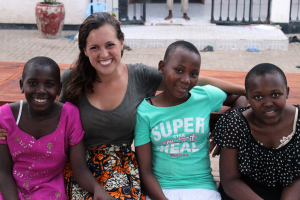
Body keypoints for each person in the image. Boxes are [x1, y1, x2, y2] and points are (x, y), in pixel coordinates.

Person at [0, 13, 245, 200]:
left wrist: (247, 93)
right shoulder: (71, 80)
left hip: (125, 165)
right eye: (94, 47)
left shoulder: (140, 75)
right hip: (80, 167)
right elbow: (40, 106)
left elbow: (194, 81)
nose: (103, 54)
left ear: (121, 43)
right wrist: (5, 125)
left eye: (109, 45)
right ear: (84, 50)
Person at [134, 41, 246, 200]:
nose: (186, 80)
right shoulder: (145, 111)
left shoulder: (204, 96)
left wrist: (226, 130)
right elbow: (145, 171)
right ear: (162, 67)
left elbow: (241, 98)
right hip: (161, 190)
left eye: (194, 74)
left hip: (202, 188)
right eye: (179, 70)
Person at [0, 56, 110, 200]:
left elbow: (79, 168)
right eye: (32, 83)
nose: (40, 90)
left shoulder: (69, 116)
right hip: (9, 187)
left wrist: (97, 190)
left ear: (59, 88)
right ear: (21, 85)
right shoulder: (6, 116)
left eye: (49, 84)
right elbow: (3, 171)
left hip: (49, 190)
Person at [213, 63, 300, 200]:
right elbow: (230, 180)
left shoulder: (297, 121)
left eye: (276, 94)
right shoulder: (236, 124)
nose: (268, 103)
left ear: (287, 92)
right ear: (247, 97)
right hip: (243, 193)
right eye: (258, 97)